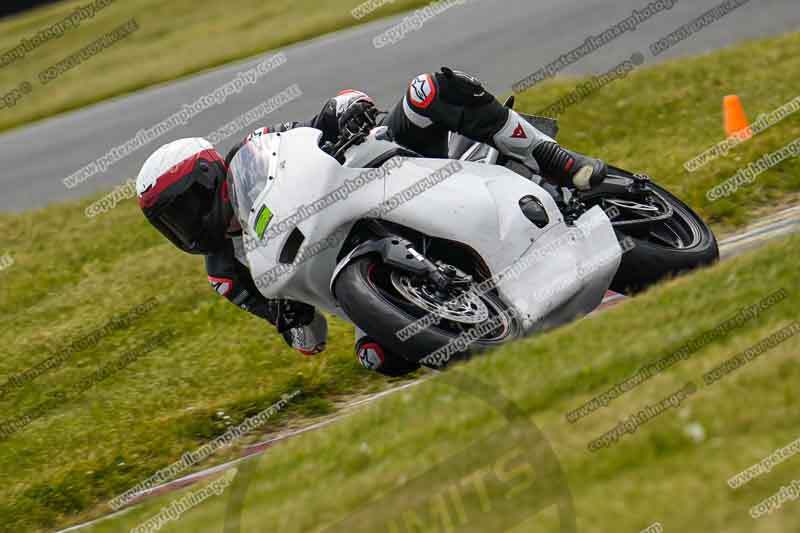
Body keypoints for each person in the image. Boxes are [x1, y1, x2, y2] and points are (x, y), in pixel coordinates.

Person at [135, 68, 608, 375]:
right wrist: (290, 320)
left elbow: (312, 130)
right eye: (170, 222)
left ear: (208, 177)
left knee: (429, 91)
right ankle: (465, 308)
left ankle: (558, 162)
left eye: (185, 206)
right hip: (340, 262)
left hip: (385, 167)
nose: (186, 224)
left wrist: (346, 109)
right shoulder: (225, 271)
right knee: (376, 356)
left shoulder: (256, 152)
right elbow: (307, 339)